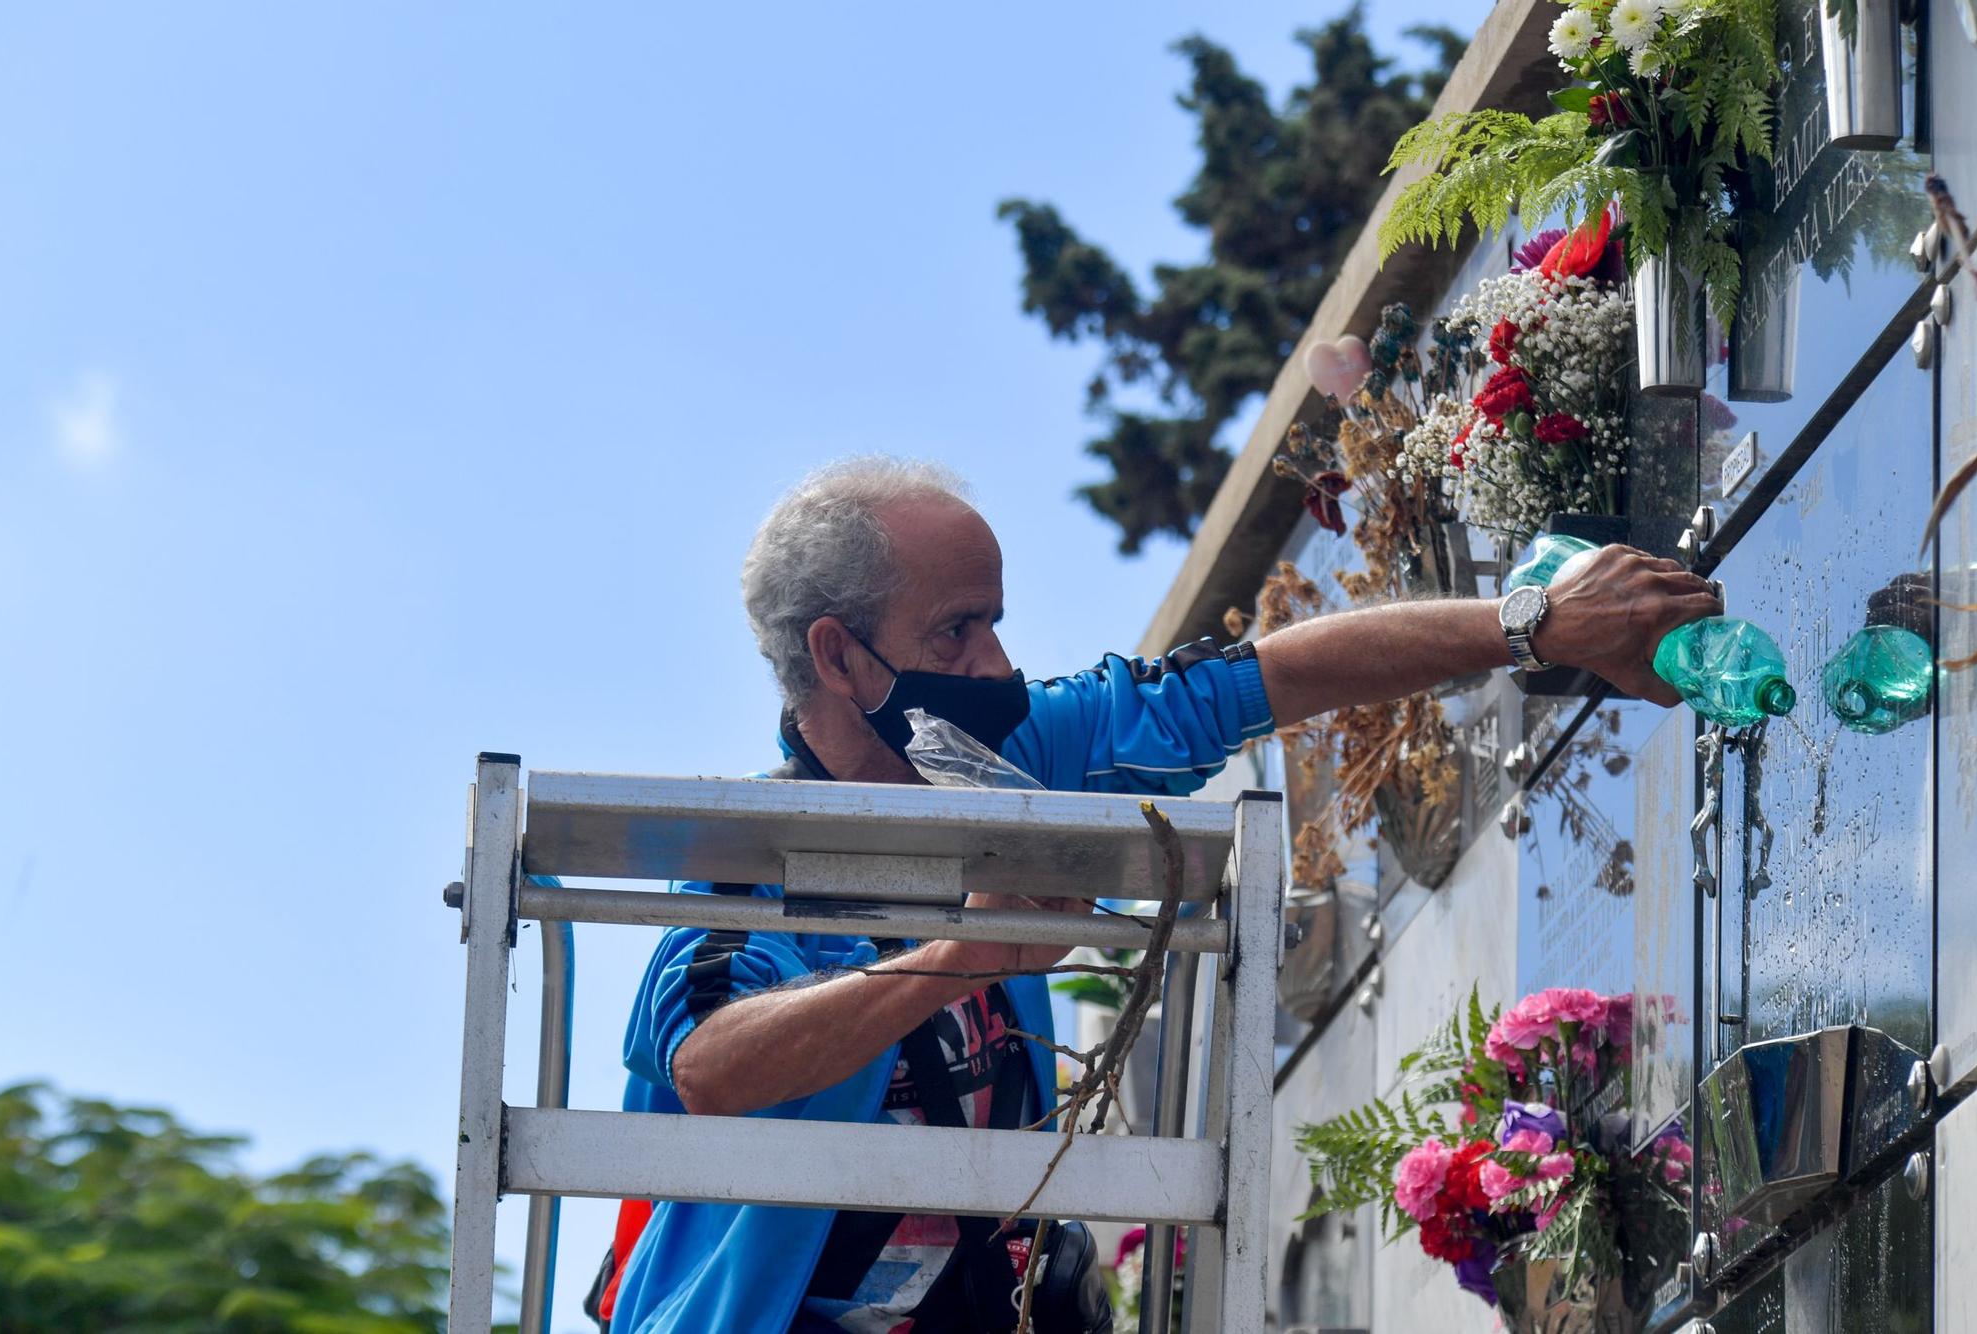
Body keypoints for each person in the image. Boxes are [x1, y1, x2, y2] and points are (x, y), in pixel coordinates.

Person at [606, 458, 1719, 1334]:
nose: (997, 665)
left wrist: (1529, 626)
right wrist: (957, 957)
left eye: (995, 619)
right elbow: (708, 1065)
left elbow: (1262, 677)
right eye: (955, 629)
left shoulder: (1022, 748)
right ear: (838, 657)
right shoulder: (750, 853)